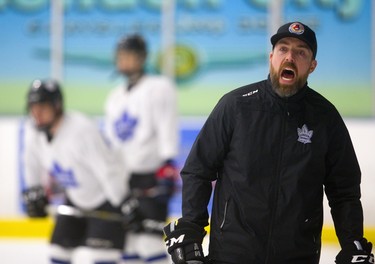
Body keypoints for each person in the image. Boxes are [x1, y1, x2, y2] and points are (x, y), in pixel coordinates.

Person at [163, 21, 374, 264]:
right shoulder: (236, 106)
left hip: (297, 255)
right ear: (272, 57)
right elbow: (198, 170)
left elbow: (344, 191)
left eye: (300, 52)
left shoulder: (326, 117)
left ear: (312, 66)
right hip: (232, 254)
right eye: (283, 49)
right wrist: (191, 225)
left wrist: (352, 242)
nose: (290, 57)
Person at [22, 79, 129, 264]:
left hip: (106, 201)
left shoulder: (82, 130)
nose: (36, 113)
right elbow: (30, 161)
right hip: (75, 199)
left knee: (103, 257)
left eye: (42, 107)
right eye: (33, 107)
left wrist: (123, 202)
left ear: (57, 106)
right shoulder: (33, 130)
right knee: (58, 252)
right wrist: (34, 189)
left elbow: (108, 170)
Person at [103, 34, 179, 264]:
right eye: (120, 56)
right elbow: (111, 141)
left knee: (150, 242)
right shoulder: (114, 97)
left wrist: (167, 165)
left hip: (150, 179)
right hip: (123, 182)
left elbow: (167, 126)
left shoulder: (159, 87)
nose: (124, 60)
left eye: (129, 55)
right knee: (127, 243)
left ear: (142, 57)